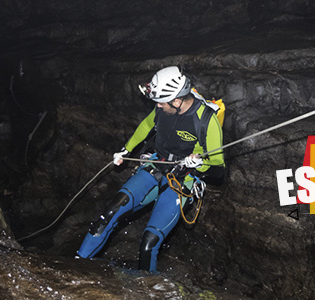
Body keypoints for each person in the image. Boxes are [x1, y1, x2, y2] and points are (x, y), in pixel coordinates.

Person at [76, 66, 225, 272]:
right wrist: (125, 149)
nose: (158, 106)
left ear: (177, 100)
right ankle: (76, 264)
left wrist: (200, 165)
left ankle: (146, 288)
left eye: (161, 102)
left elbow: (219, 170)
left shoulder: (206, 120)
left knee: (149, 242)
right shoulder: (162, 107)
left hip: (184, 180)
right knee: (108, 215)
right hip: (157, 165)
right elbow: (146, 126)